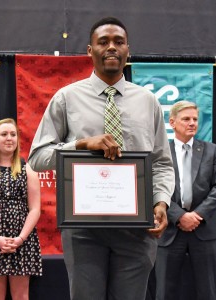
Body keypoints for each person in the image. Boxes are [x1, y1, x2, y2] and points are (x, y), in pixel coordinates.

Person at [28, 17, 174, 300]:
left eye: (118, 42)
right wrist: (80, 144)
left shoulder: (148, 102)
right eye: (103, 42)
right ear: (89, 50)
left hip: (137, 228)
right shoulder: (66, 98)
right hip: (84, 230)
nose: (111, 47)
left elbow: (161, 162)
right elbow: (37, 158)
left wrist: (161, 201)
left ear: (128, 51)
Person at [155, 100, 216, 300]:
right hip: (170, 229)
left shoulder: (212, 151)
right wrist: (179, 216)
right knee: (164, 291)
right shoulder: (160, 153)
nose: (192, 123)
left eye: (195, 119)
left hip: (204, 230)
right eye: (186, 119)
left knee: (208, 291)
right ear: (172, 122)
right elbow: (154, 188)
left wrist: (197, 215)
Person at [0, 118, 42, 300]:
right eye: (4, 134)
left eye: (13, 134)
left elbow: (35, 209)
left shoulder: (28, 169)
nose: (9, 138)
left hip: (21, 240)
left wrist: (20, 239)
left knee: (21, 296)